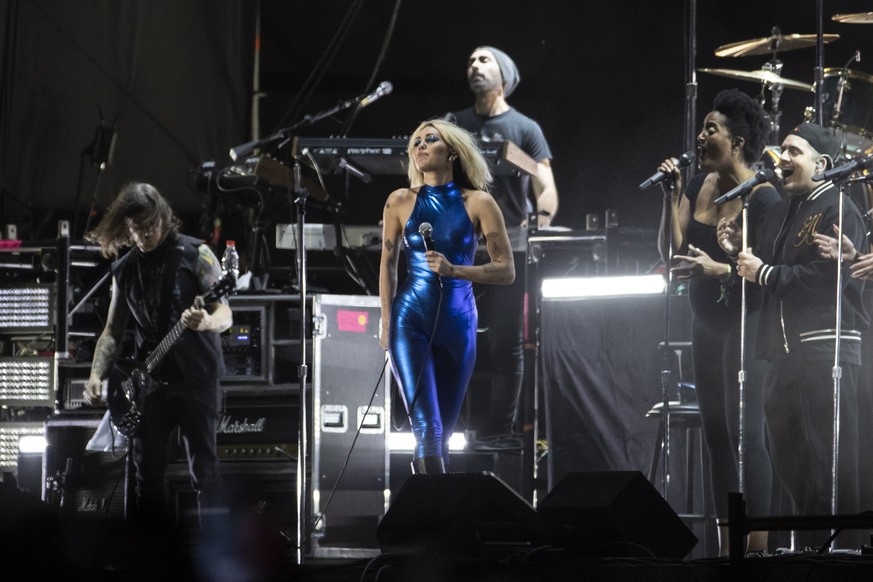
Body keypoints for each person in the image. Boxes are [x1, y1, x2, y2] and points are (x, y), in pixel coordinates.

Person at [719, 122, 869, 550]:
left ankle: (836, 558)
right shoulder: (789, 208)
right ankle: (807, 552)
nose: (781, 159)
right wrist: (737, 255)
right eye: (780, 151)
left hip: (825, 352)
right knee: (792, 464)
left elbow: (826, 281)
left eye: (793, 152)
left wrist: (763, 272)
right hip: (783, 354)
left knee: (828, 469)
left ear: (821, 164)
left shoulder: (838, 207)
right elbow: (764, 274)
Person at [656, 88, 779, 555]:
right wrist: (668, 196)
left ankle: (758, 551)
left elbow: (769, 276)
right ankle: (730, 549)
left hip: (747, 324)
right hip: (704, 323)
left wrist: (721, 268)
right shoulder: (698, 186)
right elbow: (670, 251)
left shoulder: (764, 199)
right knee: (716, 436)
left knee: (745, 434)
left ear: (738, 142)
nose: (701, 136)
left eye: (711, 128)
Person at [83, 182, 233, 524]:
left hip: (197, 381)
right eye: (138, 229)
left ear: (164, 218)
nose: (147, 234)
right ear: (127, 229)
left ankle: (217, 560)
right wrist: (96, 374)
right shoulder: (124, 269)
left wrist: (206, 321)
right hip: (148, 386)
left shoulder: (197, 254)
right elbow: (113, 331)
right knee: (145, 478)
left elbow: (225, 314)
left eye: (152, 225)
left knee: (206, 474)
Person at [379, 119, 515, 474]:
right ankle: (433, 517)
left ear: (452, 151)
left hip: (458, 321)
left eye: (430, 139)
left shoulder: (479, 202)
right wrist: (385, 320)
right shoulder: (399, 201)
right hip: (410, 320)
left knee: (444, 434)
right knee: (427, 428)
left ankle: (436, 514)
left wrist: (456, 271)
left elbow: (506, 270)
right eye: (416, 141)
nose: (420, 145)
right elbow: (389, 265)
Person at [449, 46, 557, 437]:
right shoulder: (454, 123)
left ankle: (499, 431)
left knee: (506, 341)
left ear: (505, 75)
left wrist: (539, 223)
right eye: (470, 60)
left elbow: (547, 189)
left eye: (483, 60)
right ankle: (453, 427)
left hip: (510, 245)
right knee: (452, 337)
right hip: (459, 246)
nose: (473, 65)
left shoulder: (526, 129)